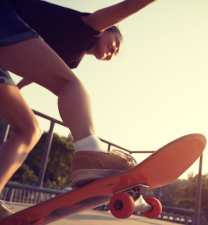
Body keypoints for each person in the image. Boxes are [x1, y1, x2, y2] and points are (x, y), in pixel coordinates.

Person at [0, 0, 155, 217]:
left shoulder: (72, 59)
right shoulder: (88, 27)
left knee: (29, 130)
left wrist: (19, 87)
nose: (113, 51)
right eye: (115, 43)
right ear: (105, 31)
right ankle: (90, 154)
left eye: (116, 54)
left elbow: (34, 68)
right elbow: (124, 8)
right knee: (70, 85)